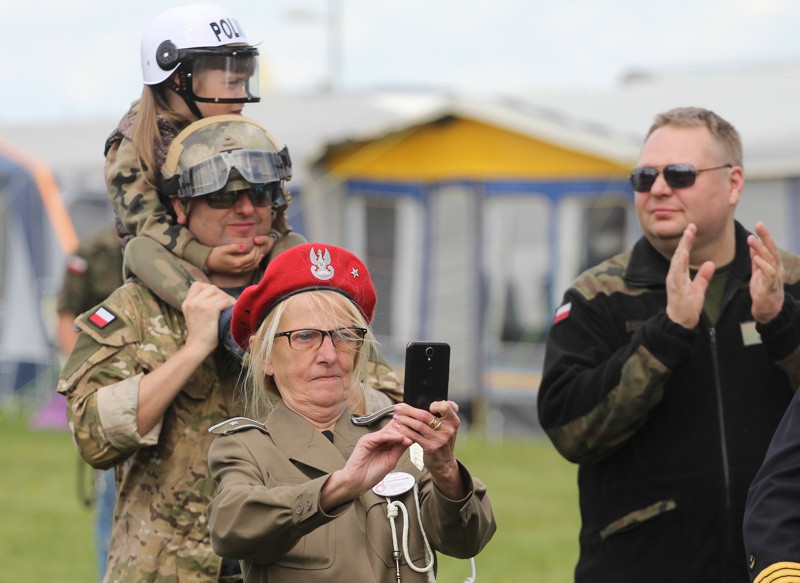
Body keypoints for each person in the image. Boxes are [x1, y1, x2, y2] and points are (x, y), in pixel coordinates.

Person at [58, 116, 400, 582]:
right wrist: (194, 347)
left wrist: (302, 349)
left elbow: (391, 411)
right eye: (221, 196)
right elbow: (94, 436)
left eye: (259, 194)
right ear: (180, 207)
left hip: (294, 558)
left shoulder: (317, 304)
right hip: (170, 567)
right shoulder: (139, 309)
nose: (244, 209)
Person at [536, 106, 800, 582]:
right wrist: (667, 333)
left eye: (679, 174)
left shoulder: (787, 282)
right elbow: (569, 429)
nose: (658, 188)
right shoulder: (598, 296)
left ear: (734, 183)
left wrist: (781, 322)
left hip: (774, 566)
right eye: (644, 176)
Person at [206, 242, 497, 582]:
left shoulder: (398, 437)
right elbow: (229, 529)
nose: (329, 354)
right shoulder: (246, 448)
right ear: (264, 356)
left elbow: (466, 541)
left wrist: (446, 470)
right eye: (305, 336)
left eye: (344, 335)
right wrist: (340, 487)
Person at [105, 2, 269, 355]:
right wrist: (206, 257)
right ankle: (227, 323)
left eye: (244, 81)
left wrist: (266, 241)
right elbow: (146, 223)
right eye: (230, 82)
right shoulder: (133, 142)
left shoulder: (233, 130)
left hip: (242, 257)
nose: (242, 94)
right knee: (140, 249)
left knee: (295, 243)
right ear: (179, 78)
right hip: (178, 267)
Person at [56, 223, 124, 581]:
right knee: (110, 504)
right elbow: (67, 315)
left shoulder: (173, 249)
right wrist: (78, 377)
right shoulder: (89, 252)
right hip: (106, 393)